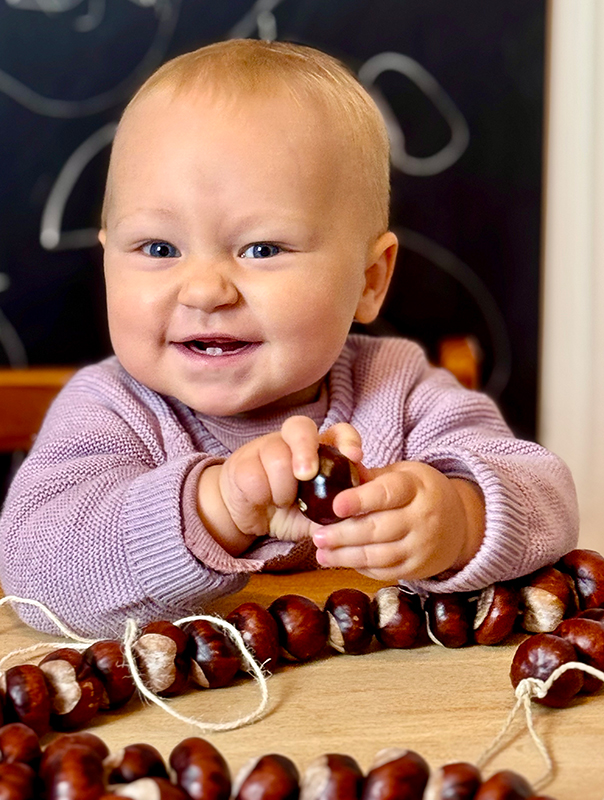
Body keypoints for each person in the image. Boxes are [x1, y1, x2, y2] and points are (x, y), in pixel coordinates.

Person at [0, 39, 578, 637]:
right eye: (159, 248)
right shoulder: (109, 410)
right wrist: (214, 509)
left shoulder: (399, 391)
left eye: (262, 249)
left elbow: (549, 500)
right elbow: (33, 572)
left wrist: (459, 518)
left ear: (369, 281)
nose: (204, 290)